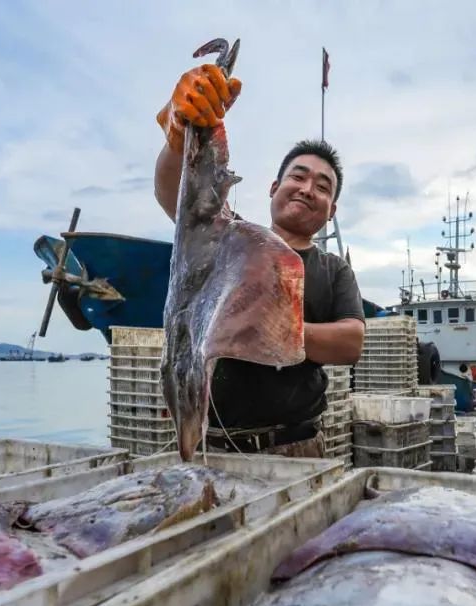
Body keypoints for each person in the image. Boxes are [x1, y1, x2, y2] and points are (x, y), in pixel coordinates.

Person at [153, 60, 365, 457]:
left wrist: (268, 329)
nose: (307, 189)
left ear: (331, 210)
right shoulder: (229, 241)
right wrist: (178, 137)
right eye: (297, 177)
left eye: (323, 186)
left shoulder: (334, 270)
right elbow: (176, 197)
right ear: (274, 188)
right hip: (210, 444)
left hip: (295, 444)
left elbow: (351, 342)